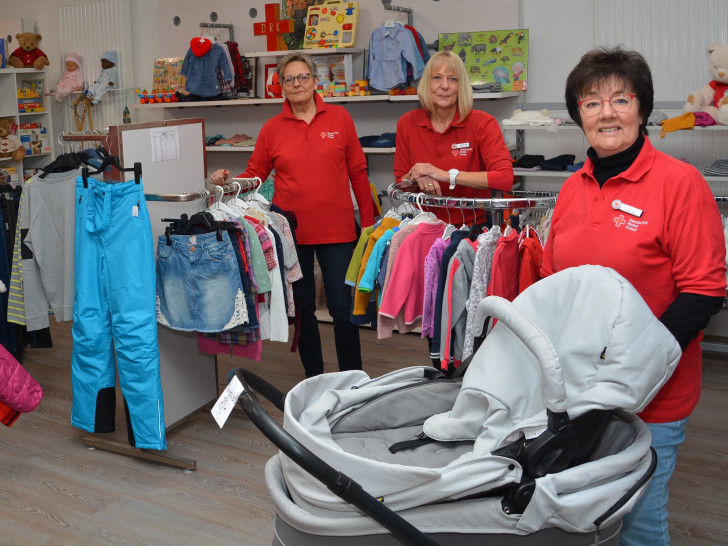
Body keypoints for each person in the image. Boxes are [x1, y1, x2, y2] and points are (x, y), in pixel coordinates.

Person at [541, 46, 727, 545]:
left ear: (642, 109)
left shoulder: (679, 183)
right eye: (592, 101)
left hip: (653, 395)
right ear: (577, 114)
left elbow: (704, 289)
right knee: (586, 514)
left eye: (621, 100)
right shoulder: (572, 189)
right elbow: (550, 283)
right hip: (579, 390)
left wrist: (638, 361)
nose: (607, 113)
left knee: (639, 524)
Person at [211, 52, 375, 378]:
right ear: (280, 87)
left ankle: (354, 380)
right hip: (290, 235)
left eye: (303, 77)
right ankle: (313, 378)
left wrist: (369, 225)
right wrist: (230, 182)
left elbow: (358, 172)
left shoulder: (340, 118)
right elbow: (256, 174)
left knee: (343, 310)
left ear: (315, 81)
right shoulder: (273, 128)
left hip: (339, 231)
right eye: (289, 79)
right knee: (303, 311)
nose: (297, 84)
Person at [394, 50, 514, 226]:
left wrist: (444, 175)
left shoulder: (483, 123)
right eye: (437, 78)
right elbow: (400, 181)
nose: (444, 86)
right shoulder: (407, 123)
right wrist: (418, 176)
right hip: (420, 229)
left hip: (471, 231)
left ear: (461, 86)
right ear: (427, 83)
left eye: (452, 79)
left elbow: (505, 179)